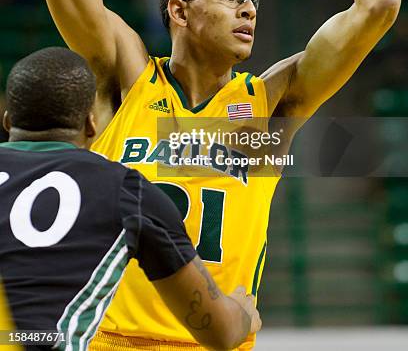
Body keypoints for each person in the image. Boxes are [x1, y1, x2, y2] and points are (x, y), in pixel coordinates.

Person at [21, 0, 401, 350]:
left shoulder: (268, 105)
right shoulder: (126, 78)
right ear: (179, 10)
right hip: (112, 339)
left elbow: (379, 2)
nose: (247, 6)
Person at [0, 47, 260, 351]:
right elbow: (220, 333)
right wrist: (242, 314)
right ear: (90, 124)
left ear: (7, 120)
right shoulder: (128, 190)